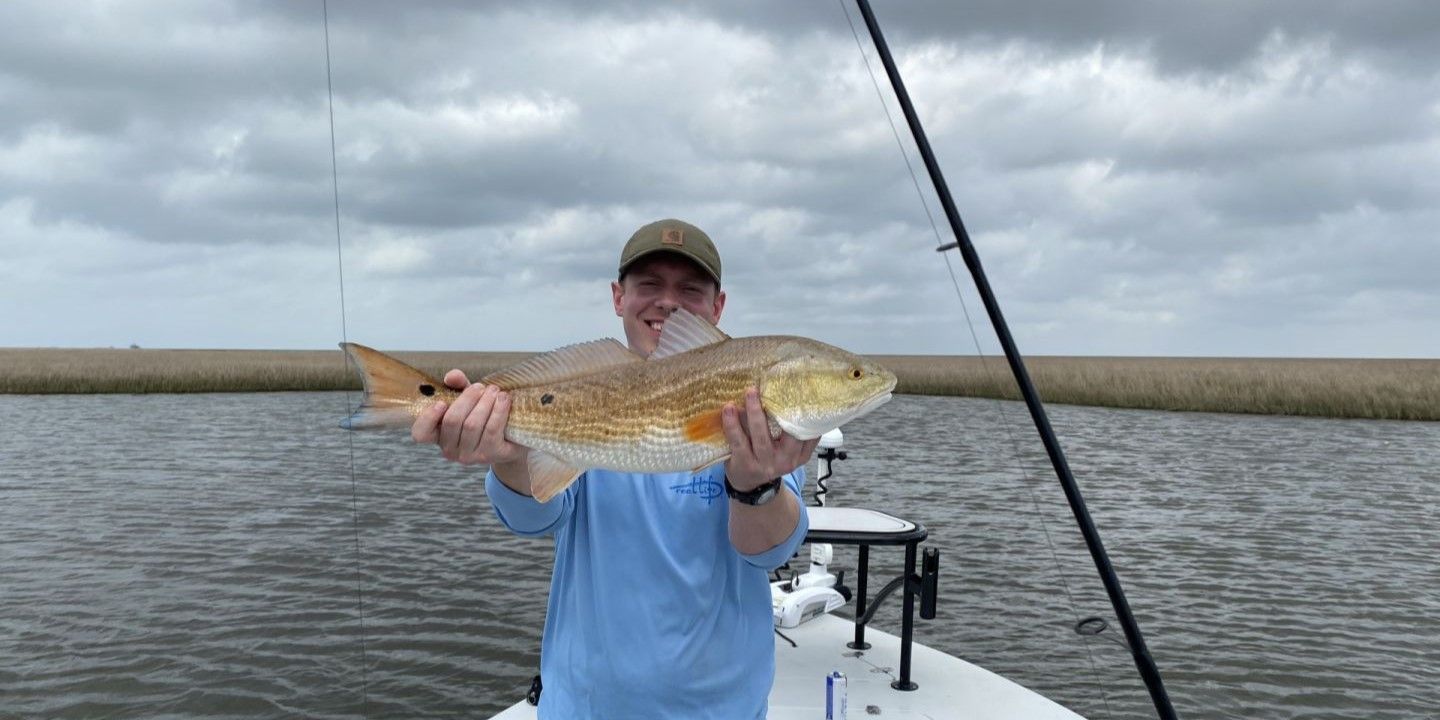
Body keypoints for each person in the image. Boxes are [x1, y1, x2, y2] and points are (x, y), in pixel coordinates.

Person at [411, 219, 816, 719]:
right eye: (649, 285)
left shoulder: (756, 405)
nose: (668, 302)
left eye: (690, 289)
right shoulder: (583, 391)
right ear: (617, 297)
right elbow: (532, 517)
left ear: (718, 307)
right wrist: (510, 455)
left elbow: (771, 549)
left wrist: (757, 486)